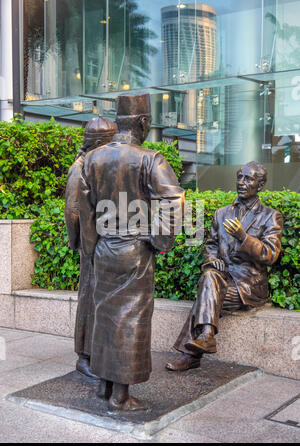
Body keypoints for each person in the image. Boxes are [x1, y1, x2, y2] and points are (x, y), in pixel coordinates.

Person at [79, 93, 185, 411]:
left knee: (104, 316)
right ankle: (121, 397)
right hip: (133, 249)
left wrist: (91, 245)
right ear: (142, 122)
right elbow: (174, 201)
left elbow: (84, 209)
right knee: (130, 319)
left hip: (102, 249)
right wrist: (159, 240)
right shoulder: (150, 159)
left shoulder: (93, 158)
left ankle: (103, 386)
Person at [166, 161, 283, 372]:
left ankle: (191, 354)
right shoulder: (221, 213)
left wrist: (243, 237)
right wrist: (212, 259)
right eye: (239, 177)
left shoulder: (270, 216)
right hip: (221, 277)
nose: (241, 182)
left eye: (248, 179)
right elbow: (211, 245)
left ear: (261, 184)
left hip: (248, 285)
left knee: (208, 294)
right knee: (210, 278)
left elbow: (270, 254)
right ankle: (206, 337)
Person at [65, 116, 117, 379]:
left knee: (100, 299)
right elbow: (73, 211)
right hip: (91, 245)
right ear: (98, 144)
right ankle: (83, 357)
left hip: (103, 243)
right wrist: (83, 245)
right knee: (88, 297)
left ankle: (96, 351)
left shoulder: (99, 165)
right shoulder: (82, 167)